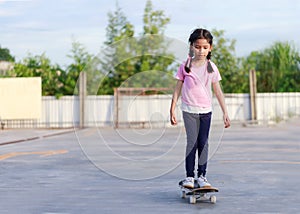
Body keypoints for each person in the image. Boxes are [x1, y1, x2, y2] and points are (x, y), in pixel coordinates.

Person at [170, 28, 231, 188]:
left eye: (205, 47)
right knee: (192, 142)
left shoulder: (211, 67)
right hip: (189, 110)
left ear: (210, 47)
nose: (201, 50)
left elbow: (217, 90)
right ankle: (190, 177)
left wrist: (225, 111)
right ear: (191, 46)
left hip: (206, 111)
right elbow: (178, 87)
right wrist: (172, 108)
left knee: (203, 143)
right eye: (198, 47)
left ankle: (202, 176)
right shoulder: (186, 66)